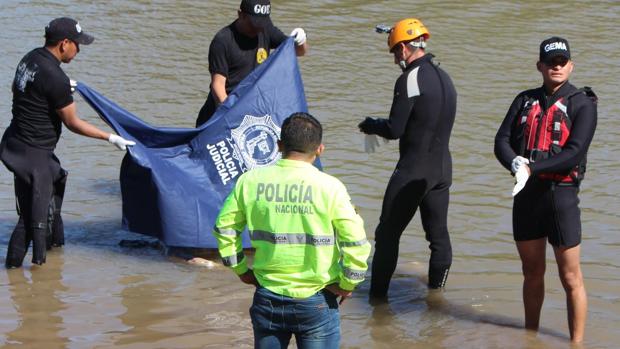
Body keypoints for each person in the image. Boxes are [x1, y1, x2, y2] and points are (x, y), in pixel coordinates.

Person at [213, 112, 371, 349]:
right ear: (319, 149)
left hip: (267, 295)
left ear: (278, 146)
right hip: (316, 299)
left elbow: (224, 228)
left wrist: (241, 270)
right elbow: (356, 242)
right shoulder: (330, 188)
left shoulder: (250, 181)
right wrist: (348, 284)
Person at [0, 17, 135, 268]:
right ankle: (18, 273)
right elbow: (73, 123)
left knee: (47, 193)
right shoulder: (56, 78)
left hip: (15, 142)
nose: (79, 50)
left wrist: (56, 92)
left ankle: (36, 270)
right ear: (64, 44)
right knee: (31, 221)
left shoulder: (30, 59)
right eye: (77, 44)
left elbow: (22, 89)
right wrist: (110, 137)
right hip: (35, 155)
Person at [494, 37, 597, 343]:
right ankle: (531, 337)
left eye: (562, 61)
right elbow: (501, 140)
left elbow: (575, 152)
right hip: (526, 197)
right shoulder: (523, 100)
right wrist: (514, 163)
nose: (556, 66)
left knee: (570, 277)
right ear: (539, 66)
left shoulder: (582, 104)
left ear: (571, 65)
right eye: (550, 62)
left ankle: (576, 343)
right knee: (531, 272)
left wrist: (532, 167)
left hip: (560, 197)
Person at [358, 18, 457, 296]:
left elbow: (395, 129)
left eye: (393, 52)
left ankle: (376, 304)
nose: (394, 59)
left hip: (413, 169)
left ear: (403, 48)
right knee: (438, 237)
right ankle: (436, 300)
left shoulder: (409, 79)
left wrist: (370, 125)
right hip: (441, 170)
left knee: (387, 234)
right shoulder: (445, 78)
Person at [195, 0, 308, 127]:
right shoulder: (223, 41)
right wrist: (231, 115)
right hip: (222, 112)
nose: (257, 29)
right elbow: (218, 86)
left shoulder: (265, 30)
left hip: (252, 109)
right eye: (253, 24)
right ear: (240, 15)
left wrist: (301, 40)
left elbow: (298, 52)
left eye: (262, 24)